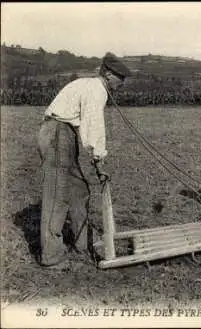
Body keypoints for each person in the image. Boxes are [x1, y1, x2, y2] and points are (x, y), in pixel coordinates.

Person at [37, 52, 131, 268]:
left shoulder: (91, 86)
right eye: (120, 78)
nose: (122, 83)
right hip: (57, 134)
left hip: (64, 135)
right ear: (107, 73)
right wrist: (99, 163)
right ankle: (51, 257)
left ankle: (83, 242)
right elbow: (93, 127)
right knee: (57, 196)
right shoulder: (96, 90)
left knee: (79, 190)